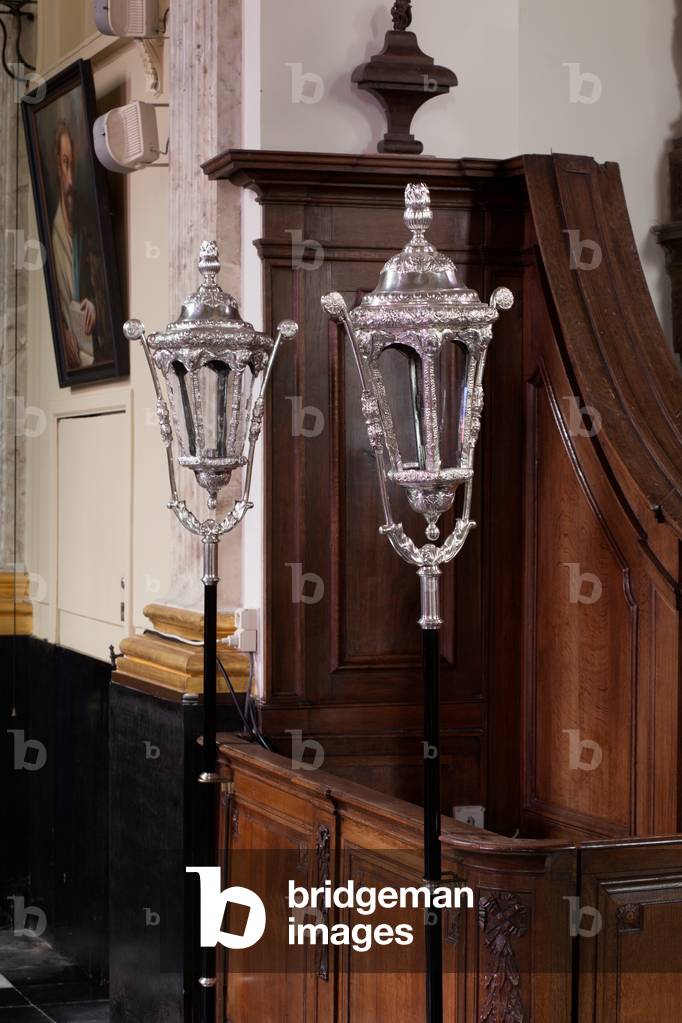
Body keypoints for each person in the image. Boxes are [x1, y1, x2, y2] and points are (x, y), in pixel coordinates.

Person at [51, 120, 98, 370]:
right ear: (57, 166)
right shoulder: (53, 236)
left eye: (74, 165)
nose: (70, 180)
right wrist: (62, 330)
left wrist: (95, 304)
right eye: (65, 164)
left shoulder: (89, 223)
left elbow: (101, 284)